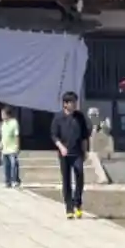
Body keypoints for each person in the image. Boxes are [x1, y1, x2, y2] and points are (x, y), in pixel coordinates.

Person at [53, 90, 89, 218]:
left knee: (80, 176)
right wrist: (61, 147)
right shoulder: (58, 118)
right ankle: (69, 208)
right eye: (72, 102)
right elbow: (54, 135)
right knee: (66, 180)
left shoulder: (80, 117)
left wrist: (85, 151)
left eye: (75, 102)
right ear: (65, 104)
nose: (74, 105)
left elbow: (84, 136)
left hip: (77, 152)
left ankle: (77, 203)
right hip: (64, 154)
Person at [1, 107, 23, 188]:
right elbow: (3, 136)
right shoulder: (3, 124)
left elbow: (17, 135)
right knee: (6, 166)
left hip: (12, 148)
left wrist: (17, 146)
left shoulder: (14, 123)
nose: (2, 116)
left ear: (8, 114)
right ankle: (7, 182)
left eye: (3, 114)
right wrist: (0, 144)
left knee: (14, 165)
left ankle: (15, 180)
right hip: (5, 148)